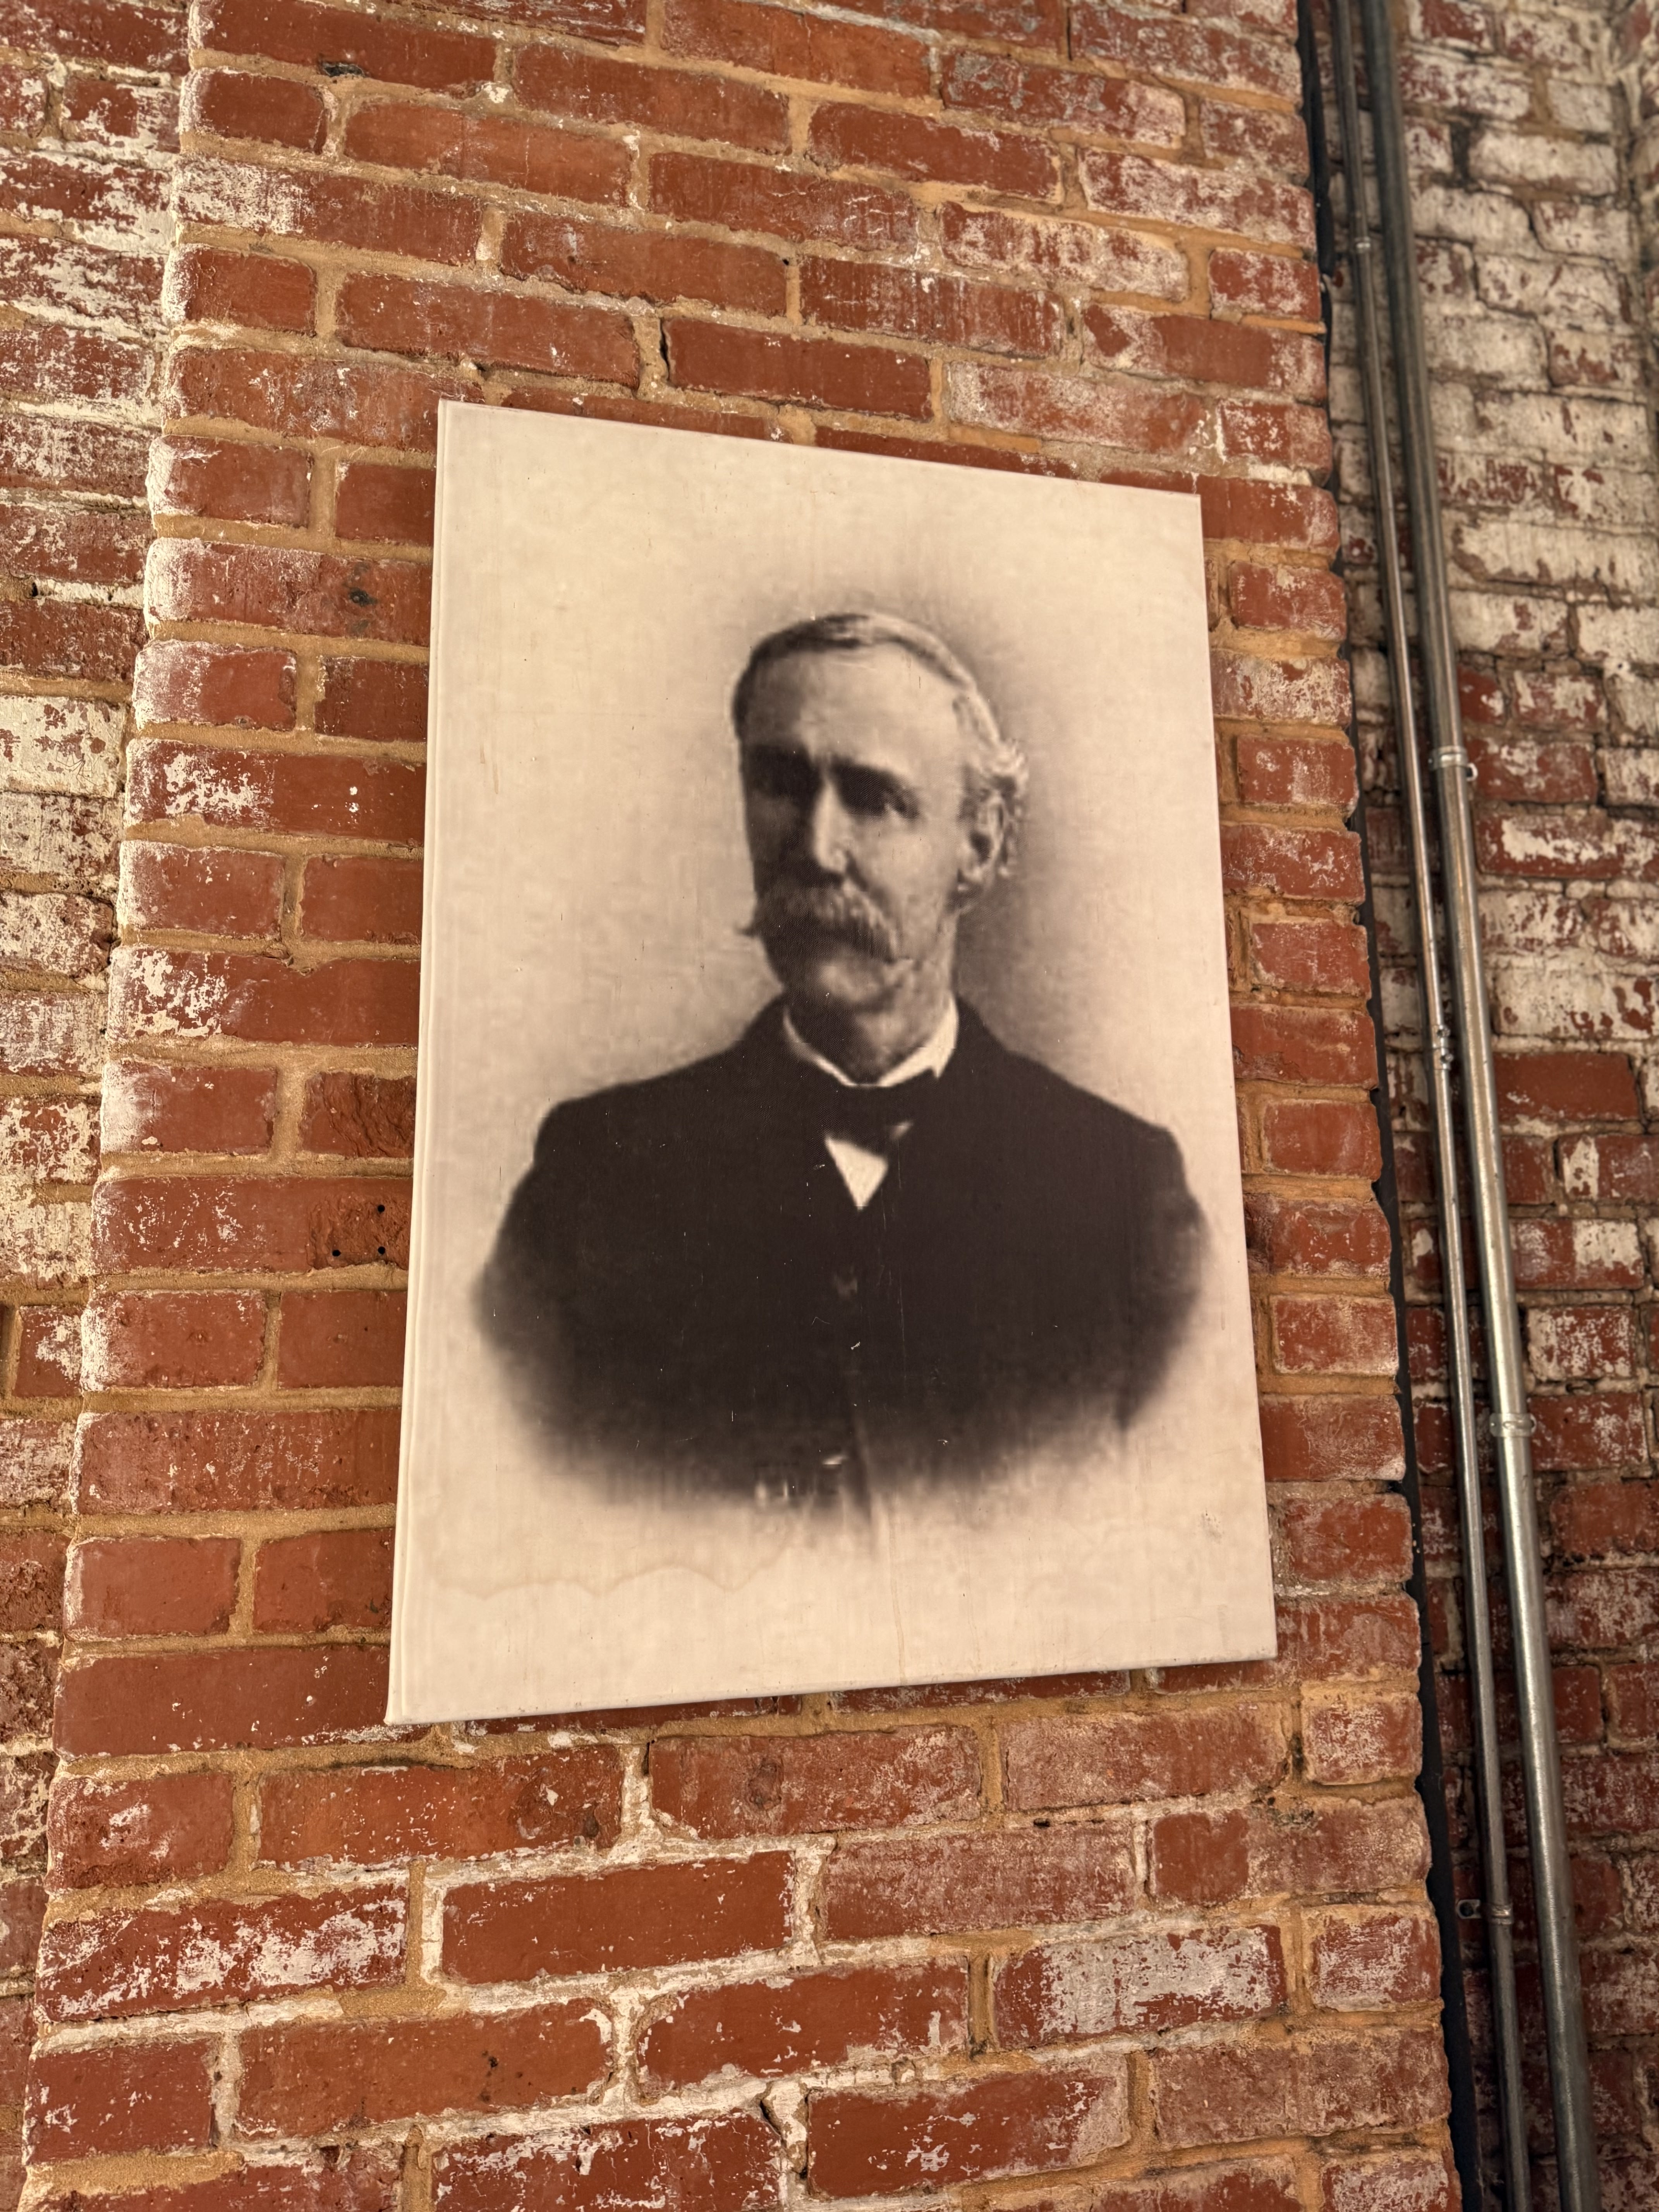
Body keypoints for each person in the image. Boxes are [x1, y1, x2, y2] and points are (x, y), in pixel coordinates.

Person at [481, 611, 1204, 1506]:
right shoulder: (594, 1181)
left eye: (875, 799)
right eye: (780, 784)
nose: (817, 849)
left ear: (979, 846)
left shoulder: (1122, 1193)